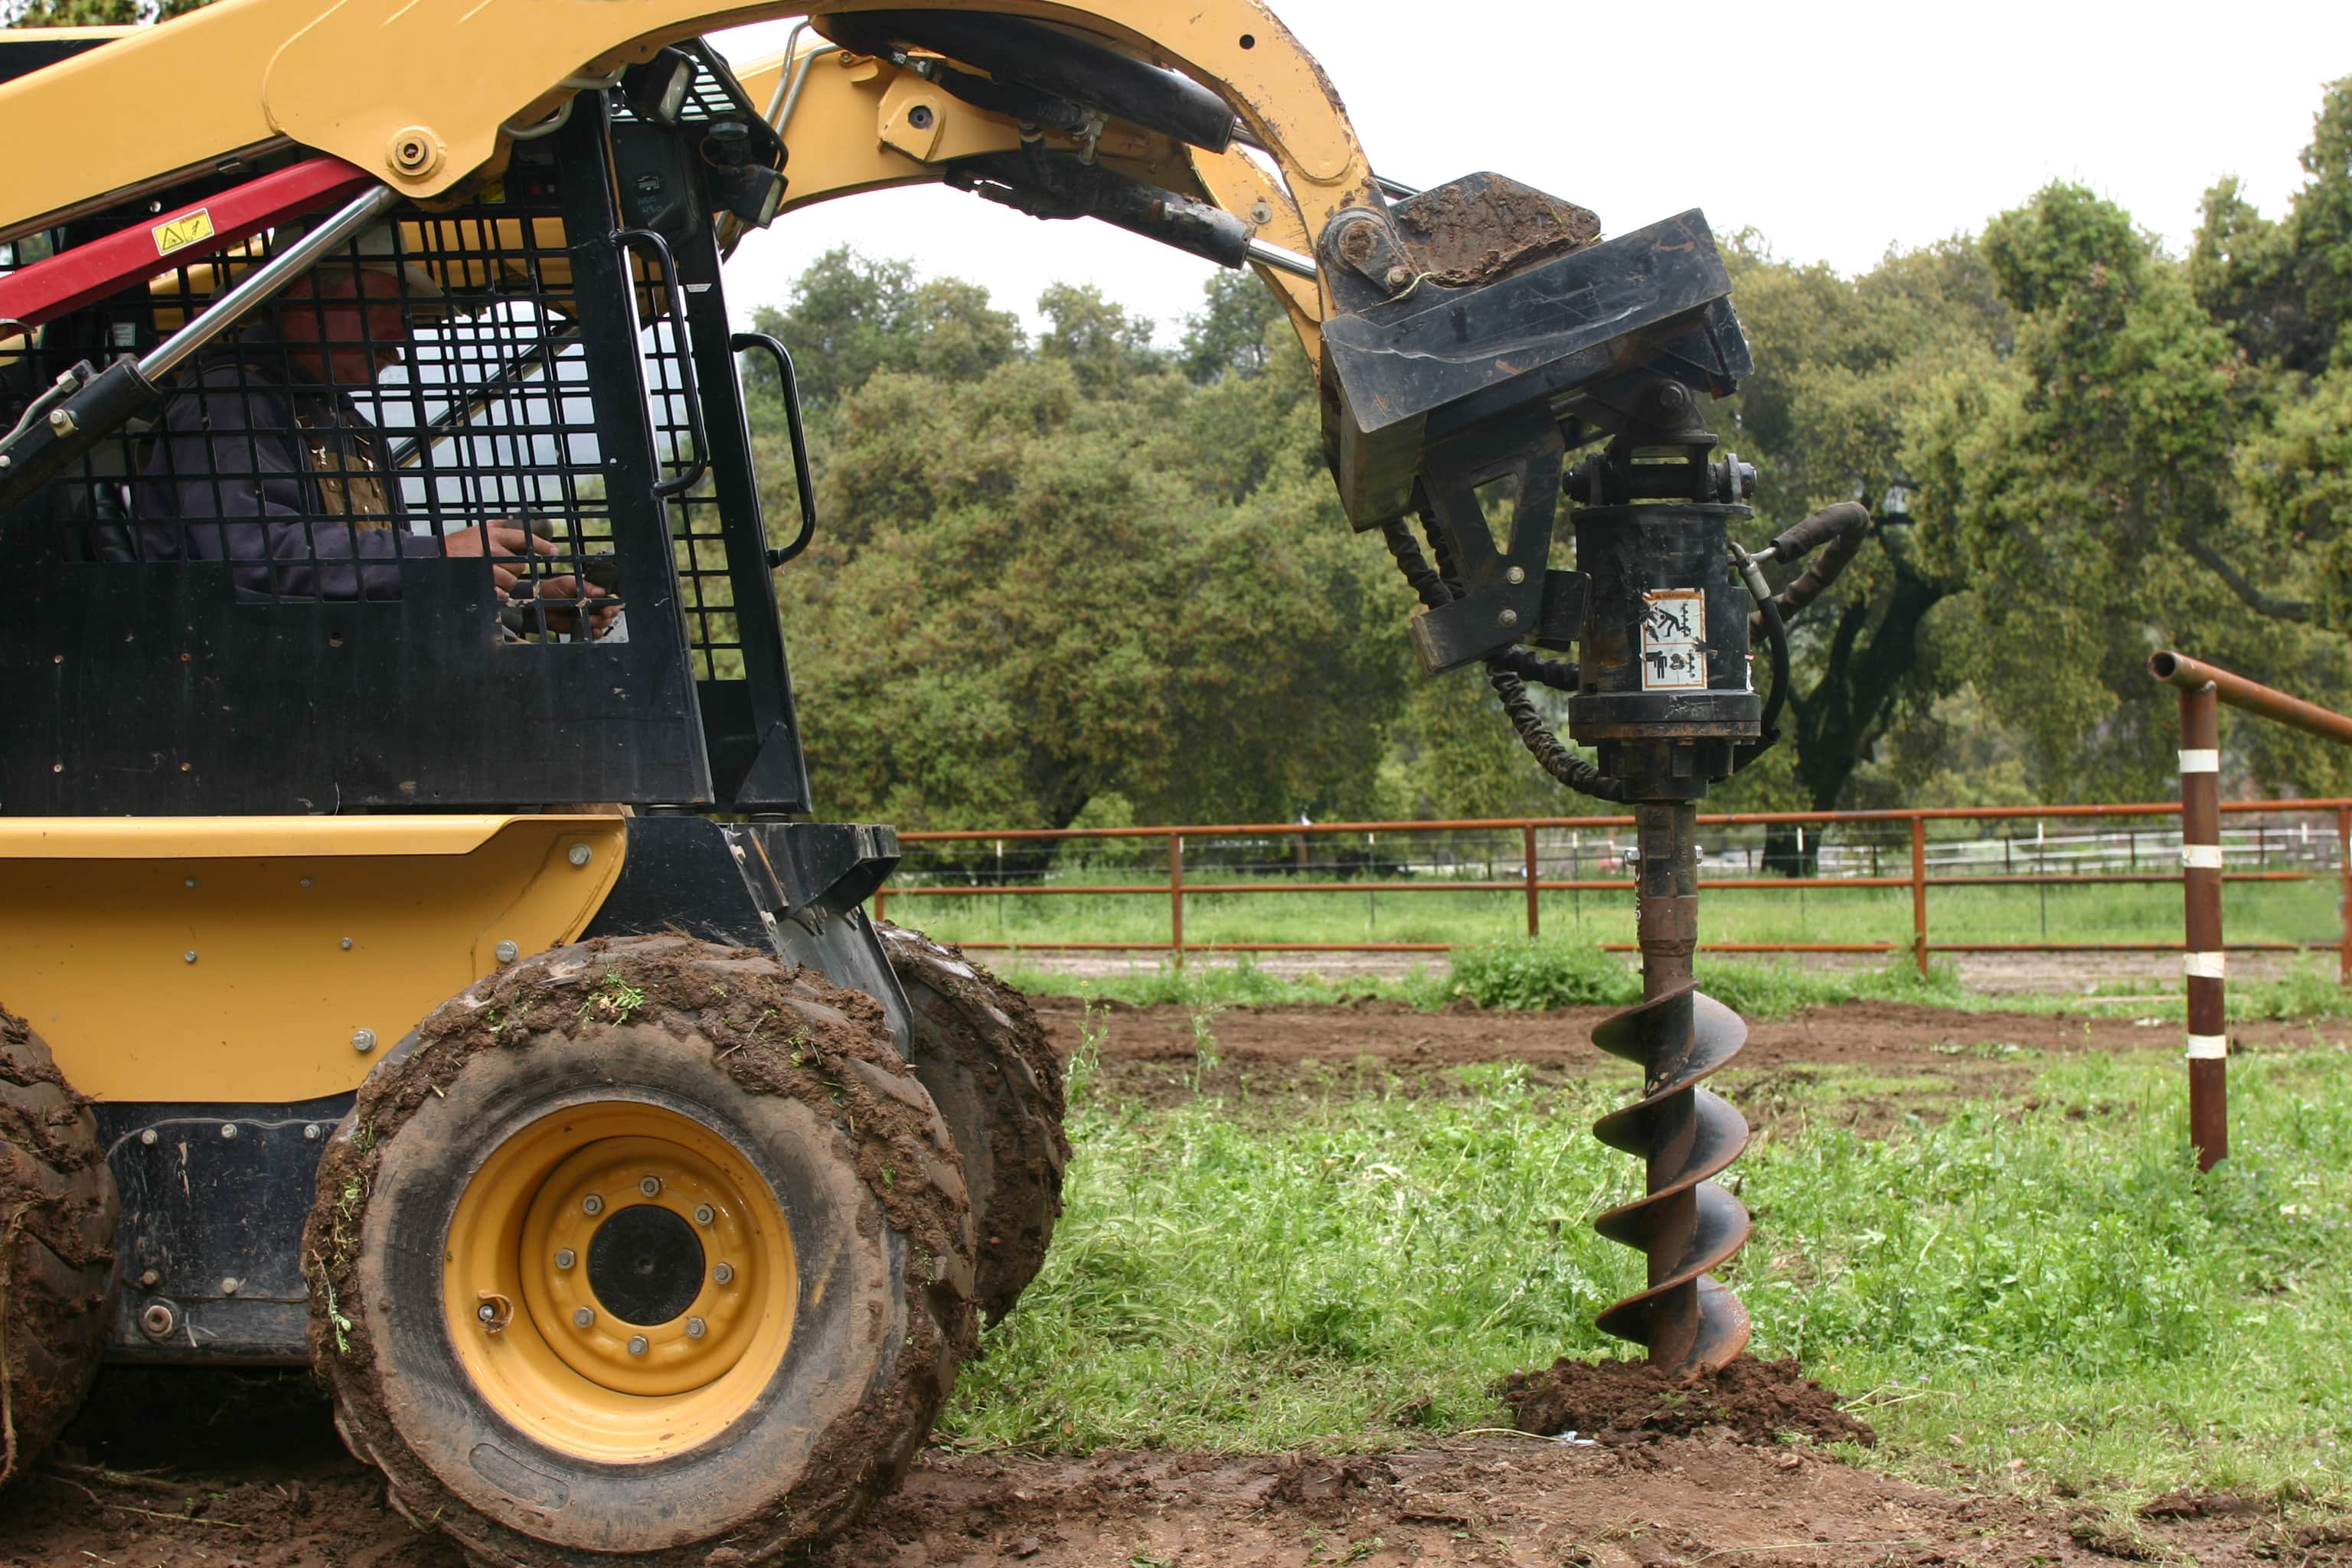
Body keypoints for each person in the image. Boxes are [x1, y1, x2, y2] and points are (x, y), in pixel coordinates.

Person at [132, 224, 615, 633]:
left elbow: (382, 587)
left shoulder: (347, 423)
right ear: (302, 291)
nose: (401, 333)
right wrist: (435, 557)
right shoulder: (226, 403)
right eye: (384, 306)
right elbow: (253, 558)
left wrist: (529, 607)